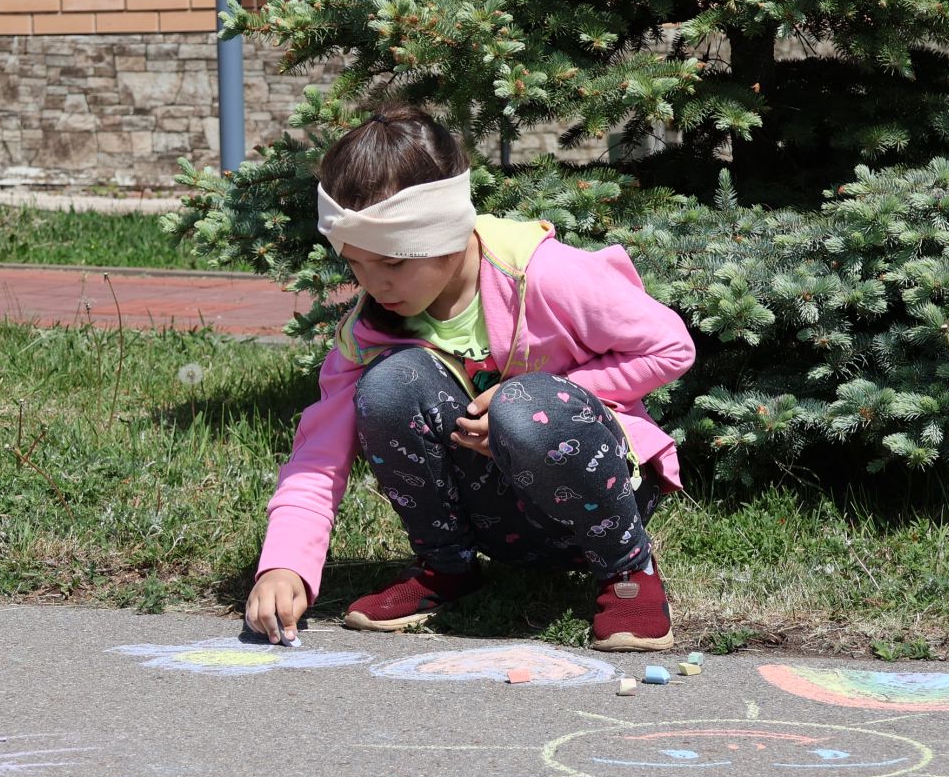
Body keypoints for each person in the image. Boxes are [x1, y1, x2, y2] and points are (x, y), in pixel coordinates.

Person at [243, 105, 696, 652]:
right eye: (357, 263)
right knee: (389, 384)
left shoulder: (541, 272)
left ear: (449, 231)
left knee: (524, 406)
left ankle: (628, 571)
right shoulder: (369, 329)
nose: (376, 284)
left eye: (394, 262)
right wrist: (285, 566)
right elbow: (319, 458)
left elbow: (670, 346)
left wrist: (534, 399)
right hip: (497, 519)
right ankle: (447, 567)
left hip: (596, 496)